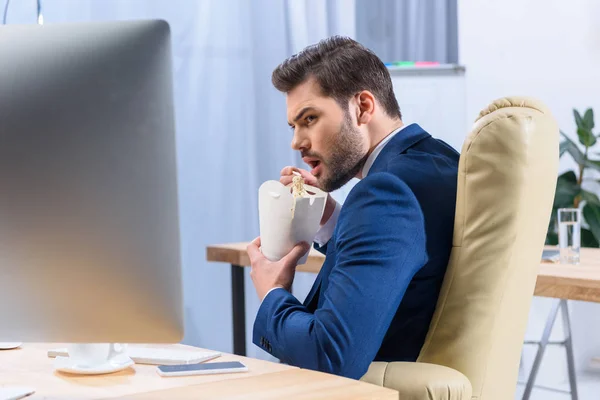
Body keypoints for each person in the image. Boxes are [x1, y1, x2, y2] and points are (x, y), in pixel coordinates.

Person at [246, 36, 459, 380]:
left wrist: (272, 293)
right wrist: (330, 219)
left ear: (362, 107)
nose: (296, 142)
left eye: (310, 118)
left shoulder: (383, 194)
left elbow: (328, 355)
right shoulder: (440, 161)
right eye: (294, 126)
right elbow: (405, 265)